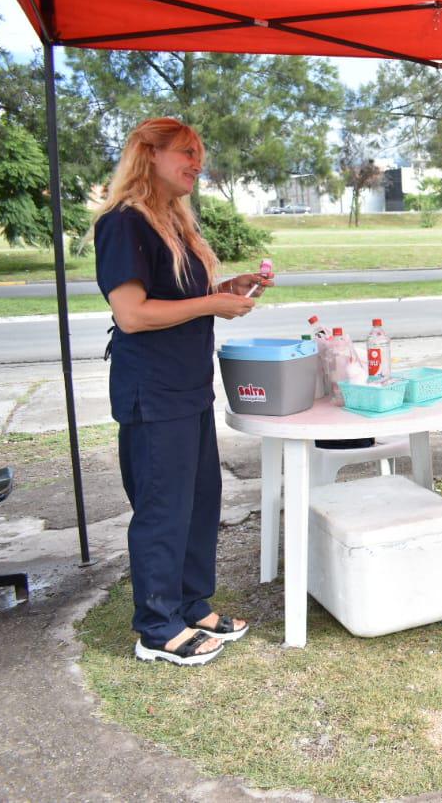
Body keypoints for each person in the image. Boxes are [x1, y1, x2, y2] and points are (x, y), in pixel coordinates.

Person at [94, 117, 272, 666]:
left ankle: (191, 602)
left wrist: (224, 289)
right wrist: (212, 305)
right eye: (185, 154)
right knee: (163, 508)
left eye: (199, 154)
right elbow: (132, 314)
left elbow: (175, 297)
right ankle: (156, 626)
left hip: (188, 386)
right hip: (153, 388)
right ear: (148, 155)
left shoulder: (171, 221)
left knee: (199, 502)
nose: (197, 164)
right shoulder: (124, 223)